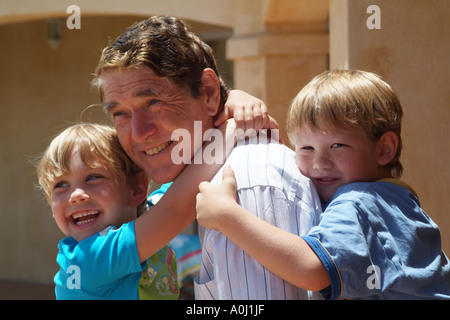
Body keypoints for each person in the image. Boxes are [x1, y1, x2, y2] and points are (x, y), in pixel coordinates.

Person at [91, 15, 322, 300]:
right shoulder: (195, 182)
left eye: (153, 102)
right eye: (120, 114)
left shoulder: (245, 184)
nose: (139, 134)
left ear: (209, 93)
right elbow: (174, 208)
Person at [196, 69, 450, 299]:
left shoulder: (361, 203)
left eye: (337, 146)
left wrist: (226, 214)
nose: (320, 162)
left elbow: (311, 269)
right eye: (306, 147)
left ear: (384, 149)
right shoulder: (395, 201)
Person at [36, 121, 236, 299]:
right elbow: (177, 209)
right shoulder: (88, 259)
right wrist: (232, 129)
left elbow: (189, 181)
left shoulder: (148, 211)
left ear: (136, 188)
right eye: (60, 185)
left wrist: (232, 105)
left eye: (93, 178)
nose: (75, 195)